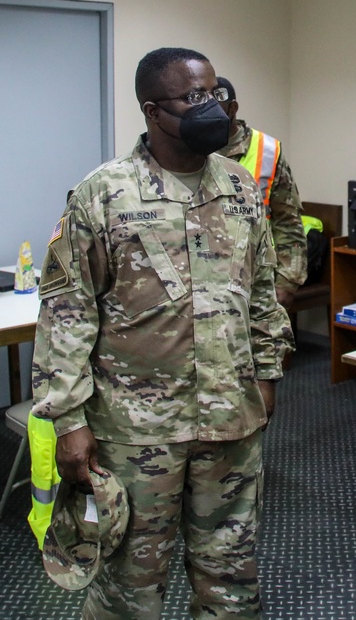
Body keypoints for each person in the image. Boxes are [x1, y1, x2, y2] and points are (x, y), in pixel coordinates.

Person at [31, 47, 294, 619]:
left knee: (231, 574)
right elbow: (68, 312)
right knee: (131, 581)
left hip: (231, 417)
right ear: (153, 110)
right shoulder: (103, 193)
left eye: (216, 93)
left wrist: (269, 372)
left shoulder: (240, 187)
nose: (214, 107)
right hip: (136, 430)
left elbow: (262, 291)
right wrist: (69, 421)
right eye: (194, 97)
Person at [216, 76, 307, 309]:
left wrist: (288, 281)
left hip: (256, 277)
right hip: (205, 281)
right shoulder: (189, 150)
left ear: (232, 108)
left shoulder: (267, 150)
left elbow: (288, 220)